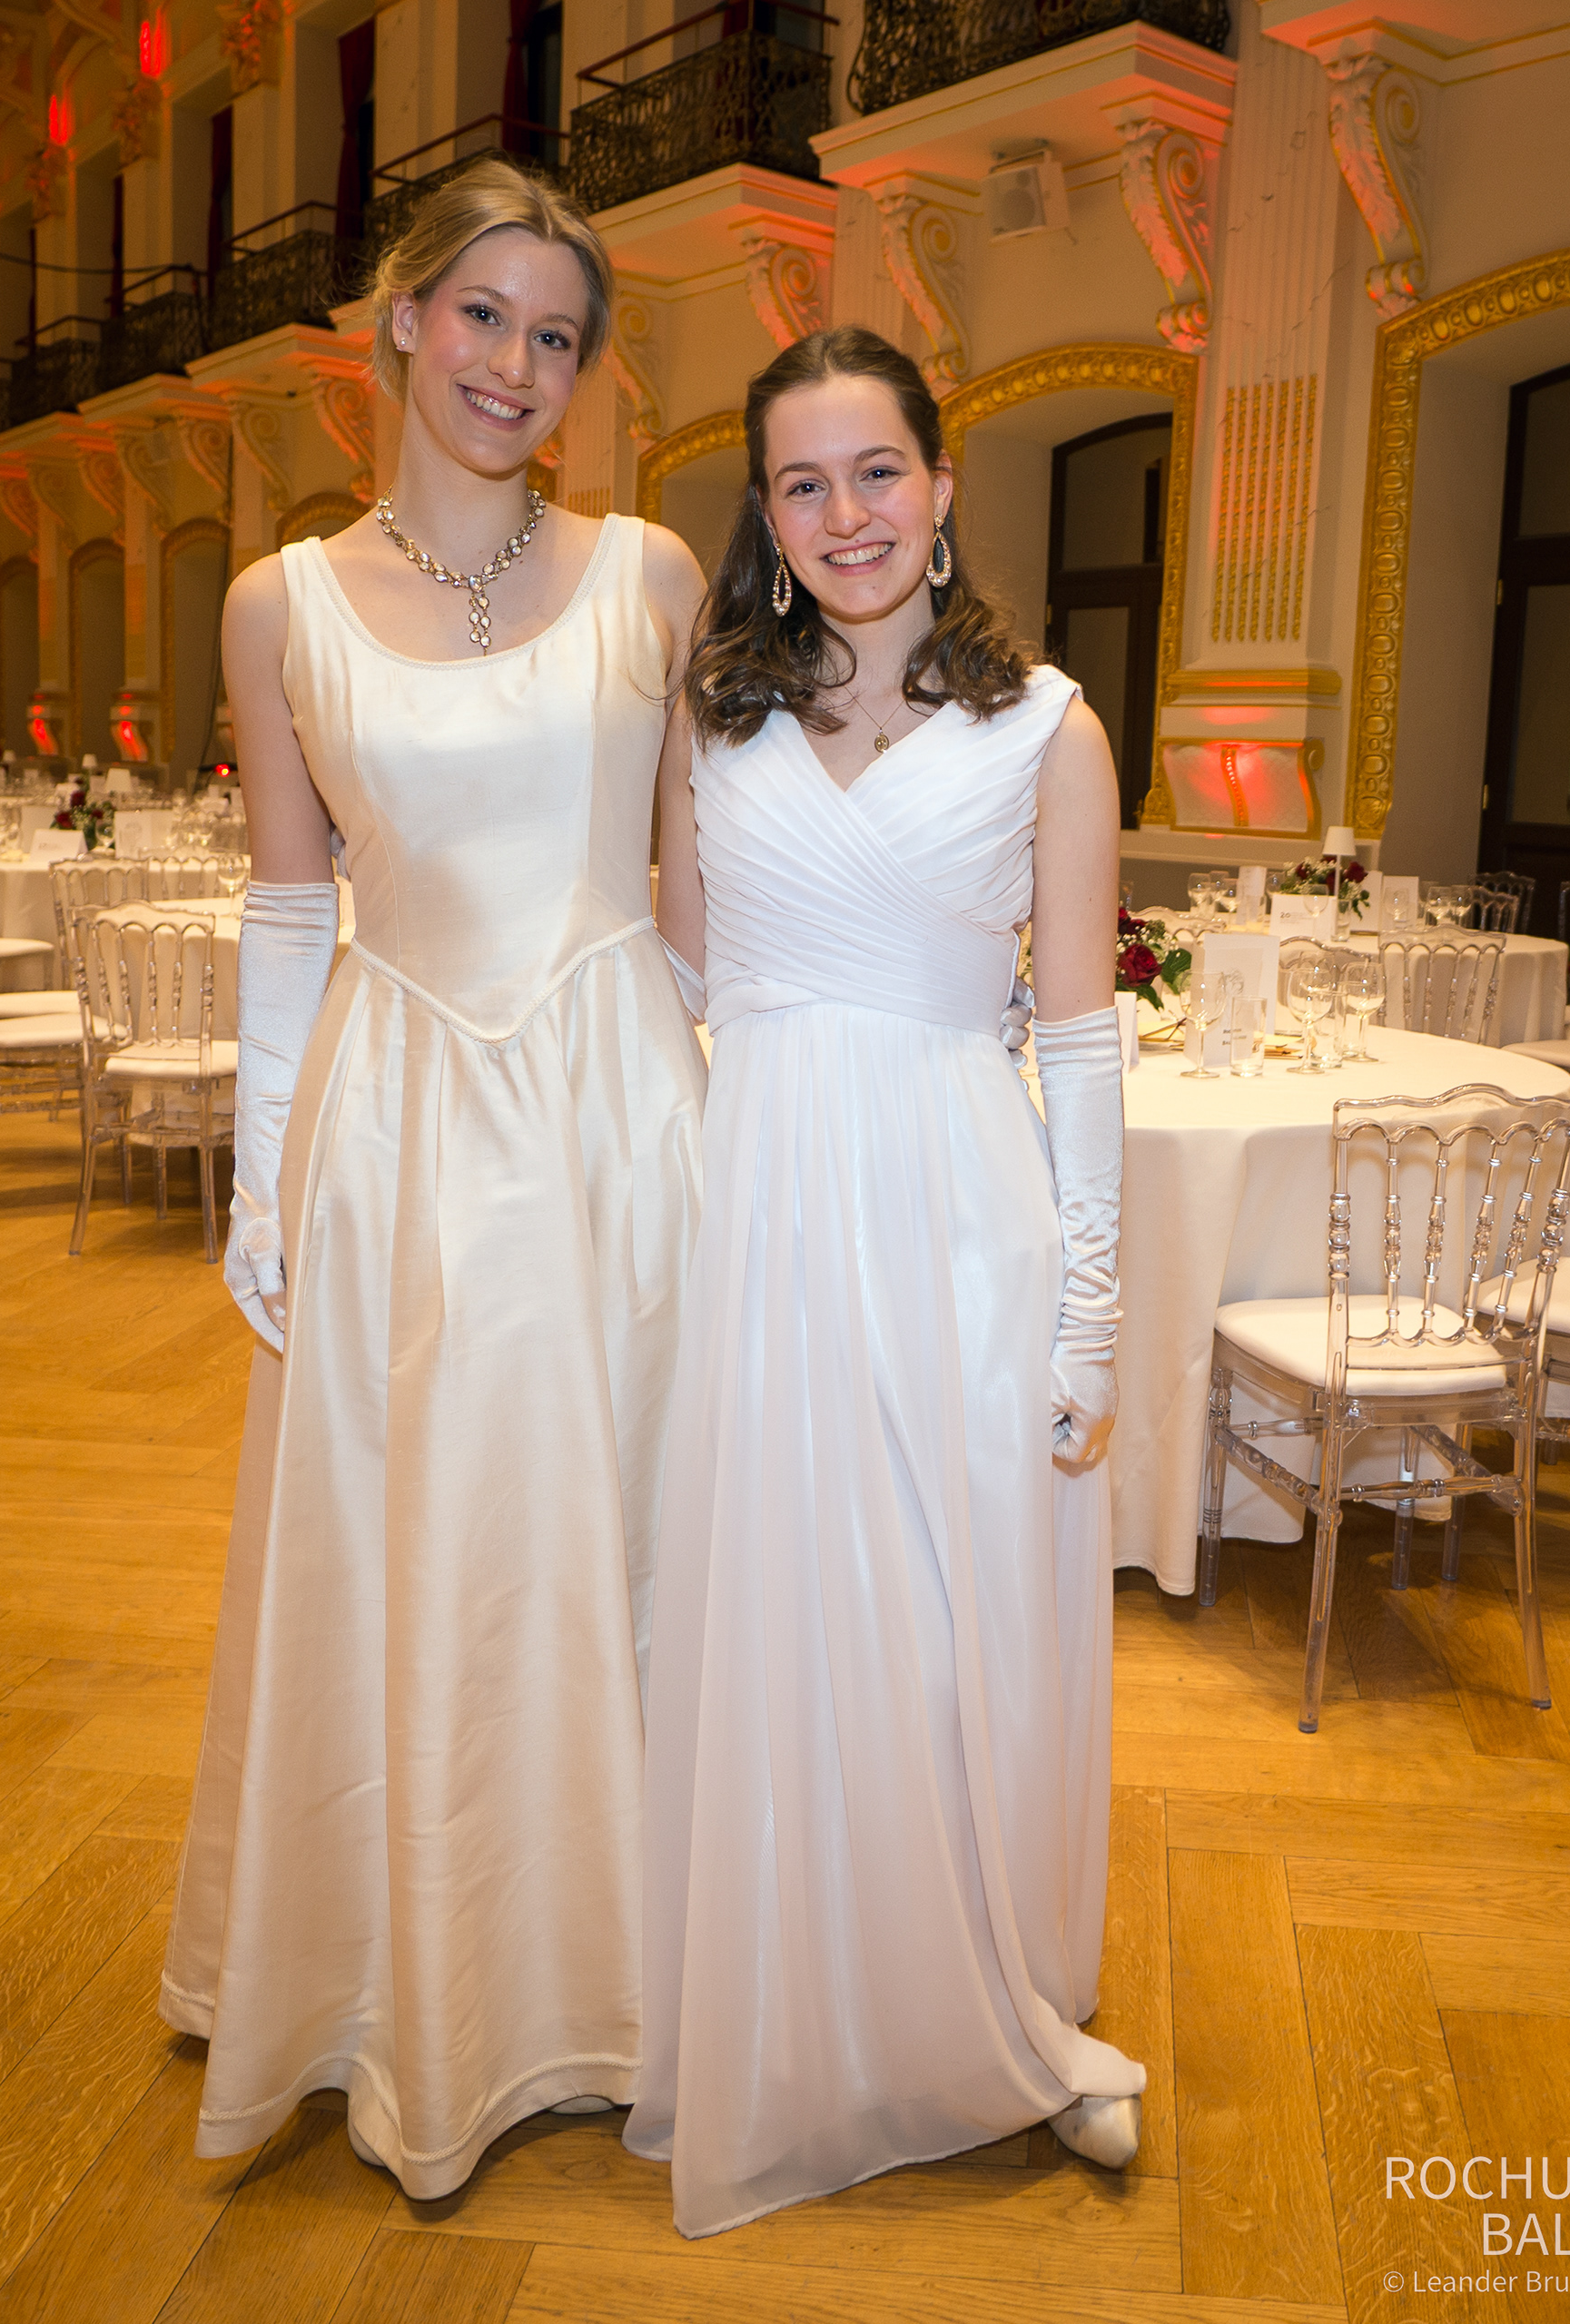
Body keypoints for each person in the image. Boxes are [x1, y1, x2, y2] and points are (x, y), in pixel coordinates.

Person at [160, 158, 709, 2197]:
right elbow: (289, 906)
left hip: (622, 1113)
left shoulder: (653, 574)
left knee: (625, 1524)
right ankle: (411, 1980)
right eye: (483, 314)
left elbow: (701, 887)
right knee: (417, 1545)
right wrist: (261, 1176)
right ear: (400, 320)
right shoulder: (276, 604)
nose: (515, 366)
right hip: (393, 1118)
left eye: (557, 336)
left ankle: (628, 1972)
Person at [626, 327, 1145, 2237]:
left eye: (876, 471)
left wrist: (1091, 1301)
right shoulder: (712, 722)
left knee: (946, 1630)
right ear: (764, 516)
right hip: (760, 1216)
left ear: (941, 486)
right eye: (801, 482)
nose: (844, 513)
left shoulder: (1051, 730)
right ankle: (793, 2010)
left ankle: (982, 2003)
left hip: (956, 1218)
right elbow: (679, 975)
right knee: (782, 1614)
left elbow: (1077, 1033)